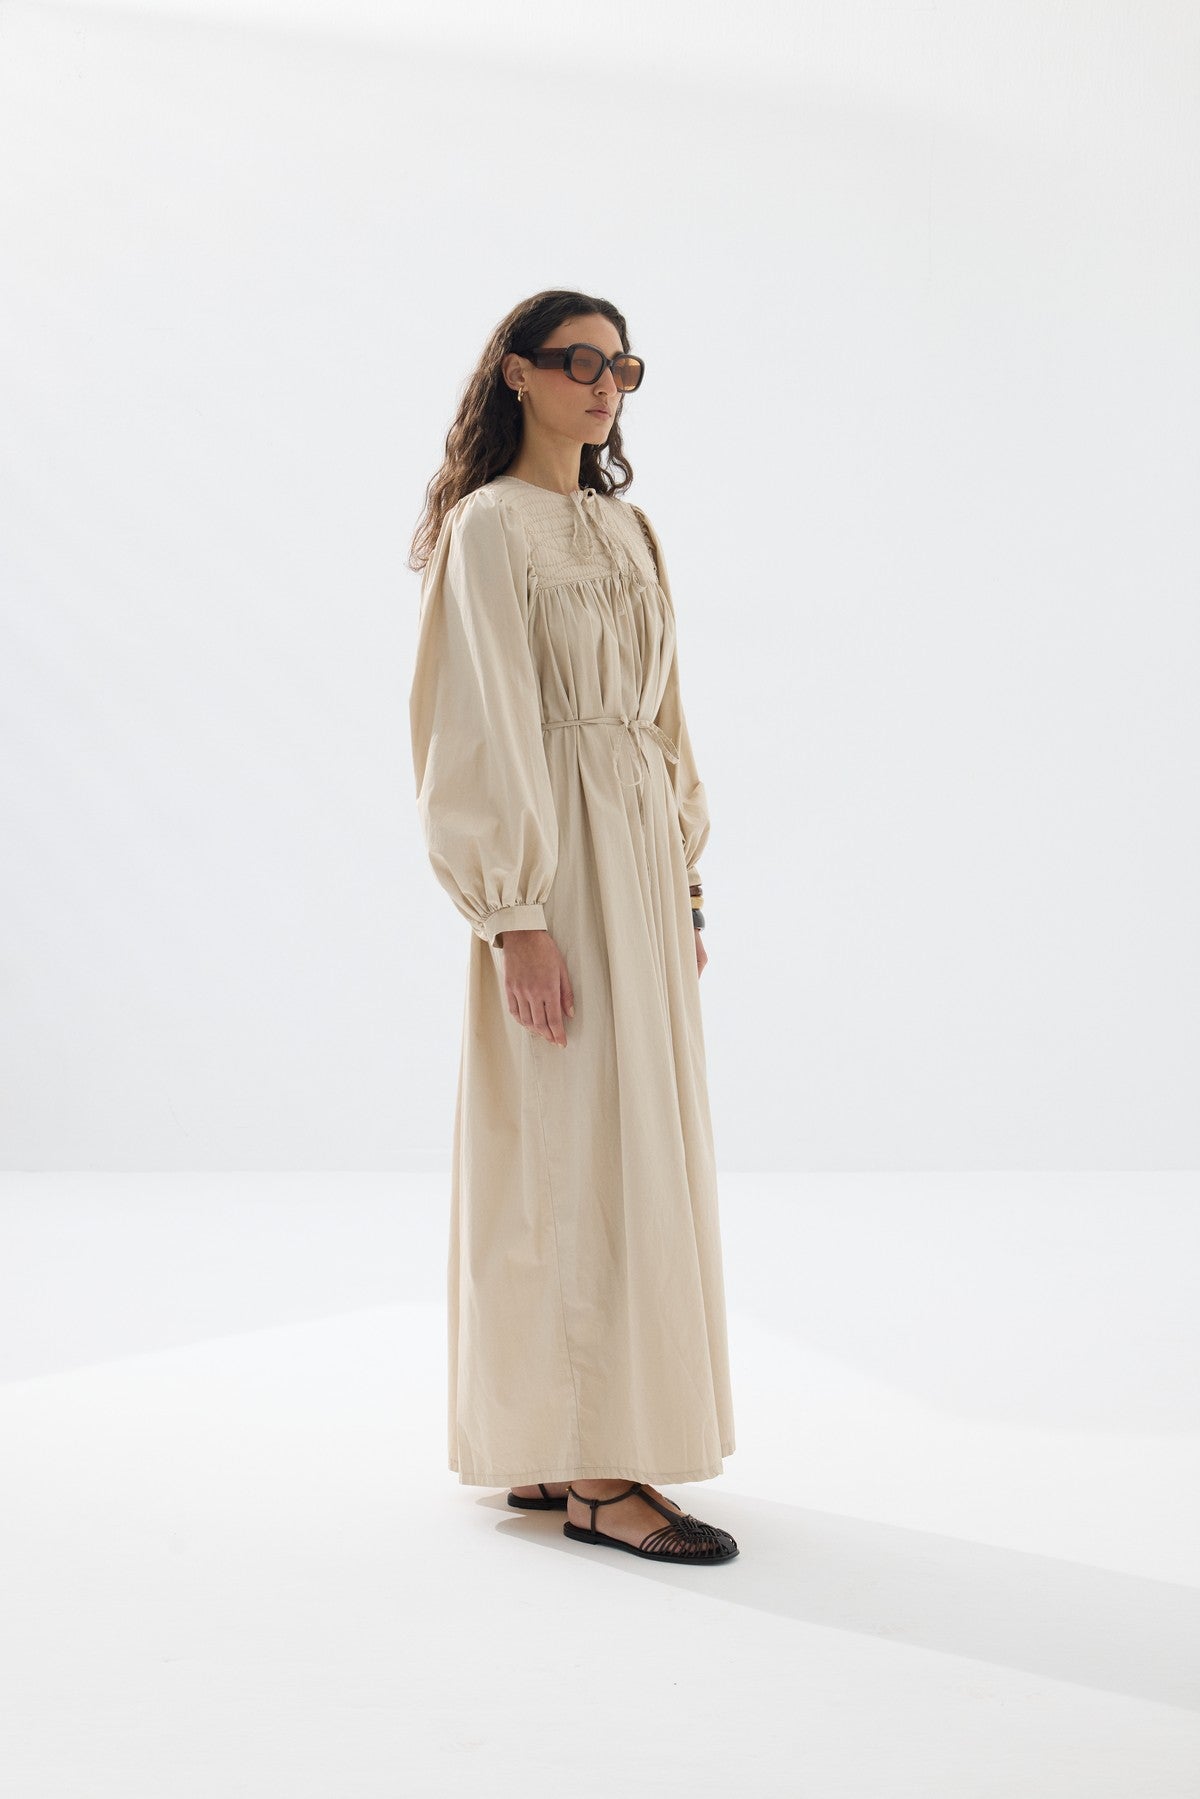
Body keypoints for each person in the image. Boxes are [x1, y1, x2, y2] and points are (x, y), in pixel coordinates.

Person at [408, 289, 738, 1565]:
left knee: (631, 1138)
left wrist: (684, 878)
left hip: (640, 867)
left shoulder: (629, 526)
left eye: (624, 366)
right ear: (517, 374)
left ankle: (562, 1436)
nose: (606, 385)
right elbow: (474, 721)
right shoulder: (489, 526)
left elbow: (666, 718)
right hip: (560, 867)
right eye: (580, 361)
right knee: (564, 1137)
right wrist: (515, 915)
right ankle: (598, 1471)